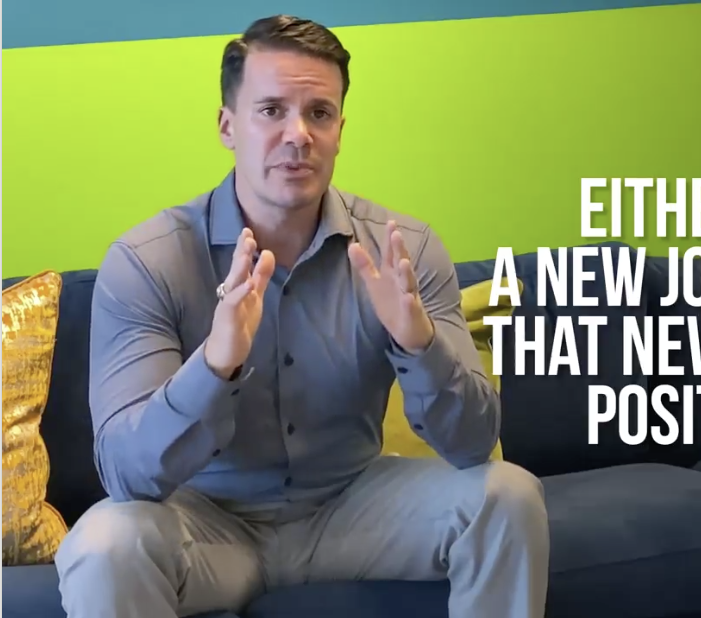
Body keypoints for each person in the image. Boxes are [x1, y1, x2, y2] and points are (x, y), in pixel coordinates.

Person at [54, 14, 550, 618]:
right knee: (103, 544)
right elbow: (127, 476)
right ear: (227, 125)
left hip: (353, 509)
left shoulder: (403, 252)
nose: (298, 135)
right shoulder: (148, 260)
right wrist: (214, 366)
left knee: (509, 495)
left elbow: (473, 445)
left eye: (319, 113)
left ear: (340, 129)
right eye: (271, 111)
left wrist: (420, 347)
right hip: (206, 527)